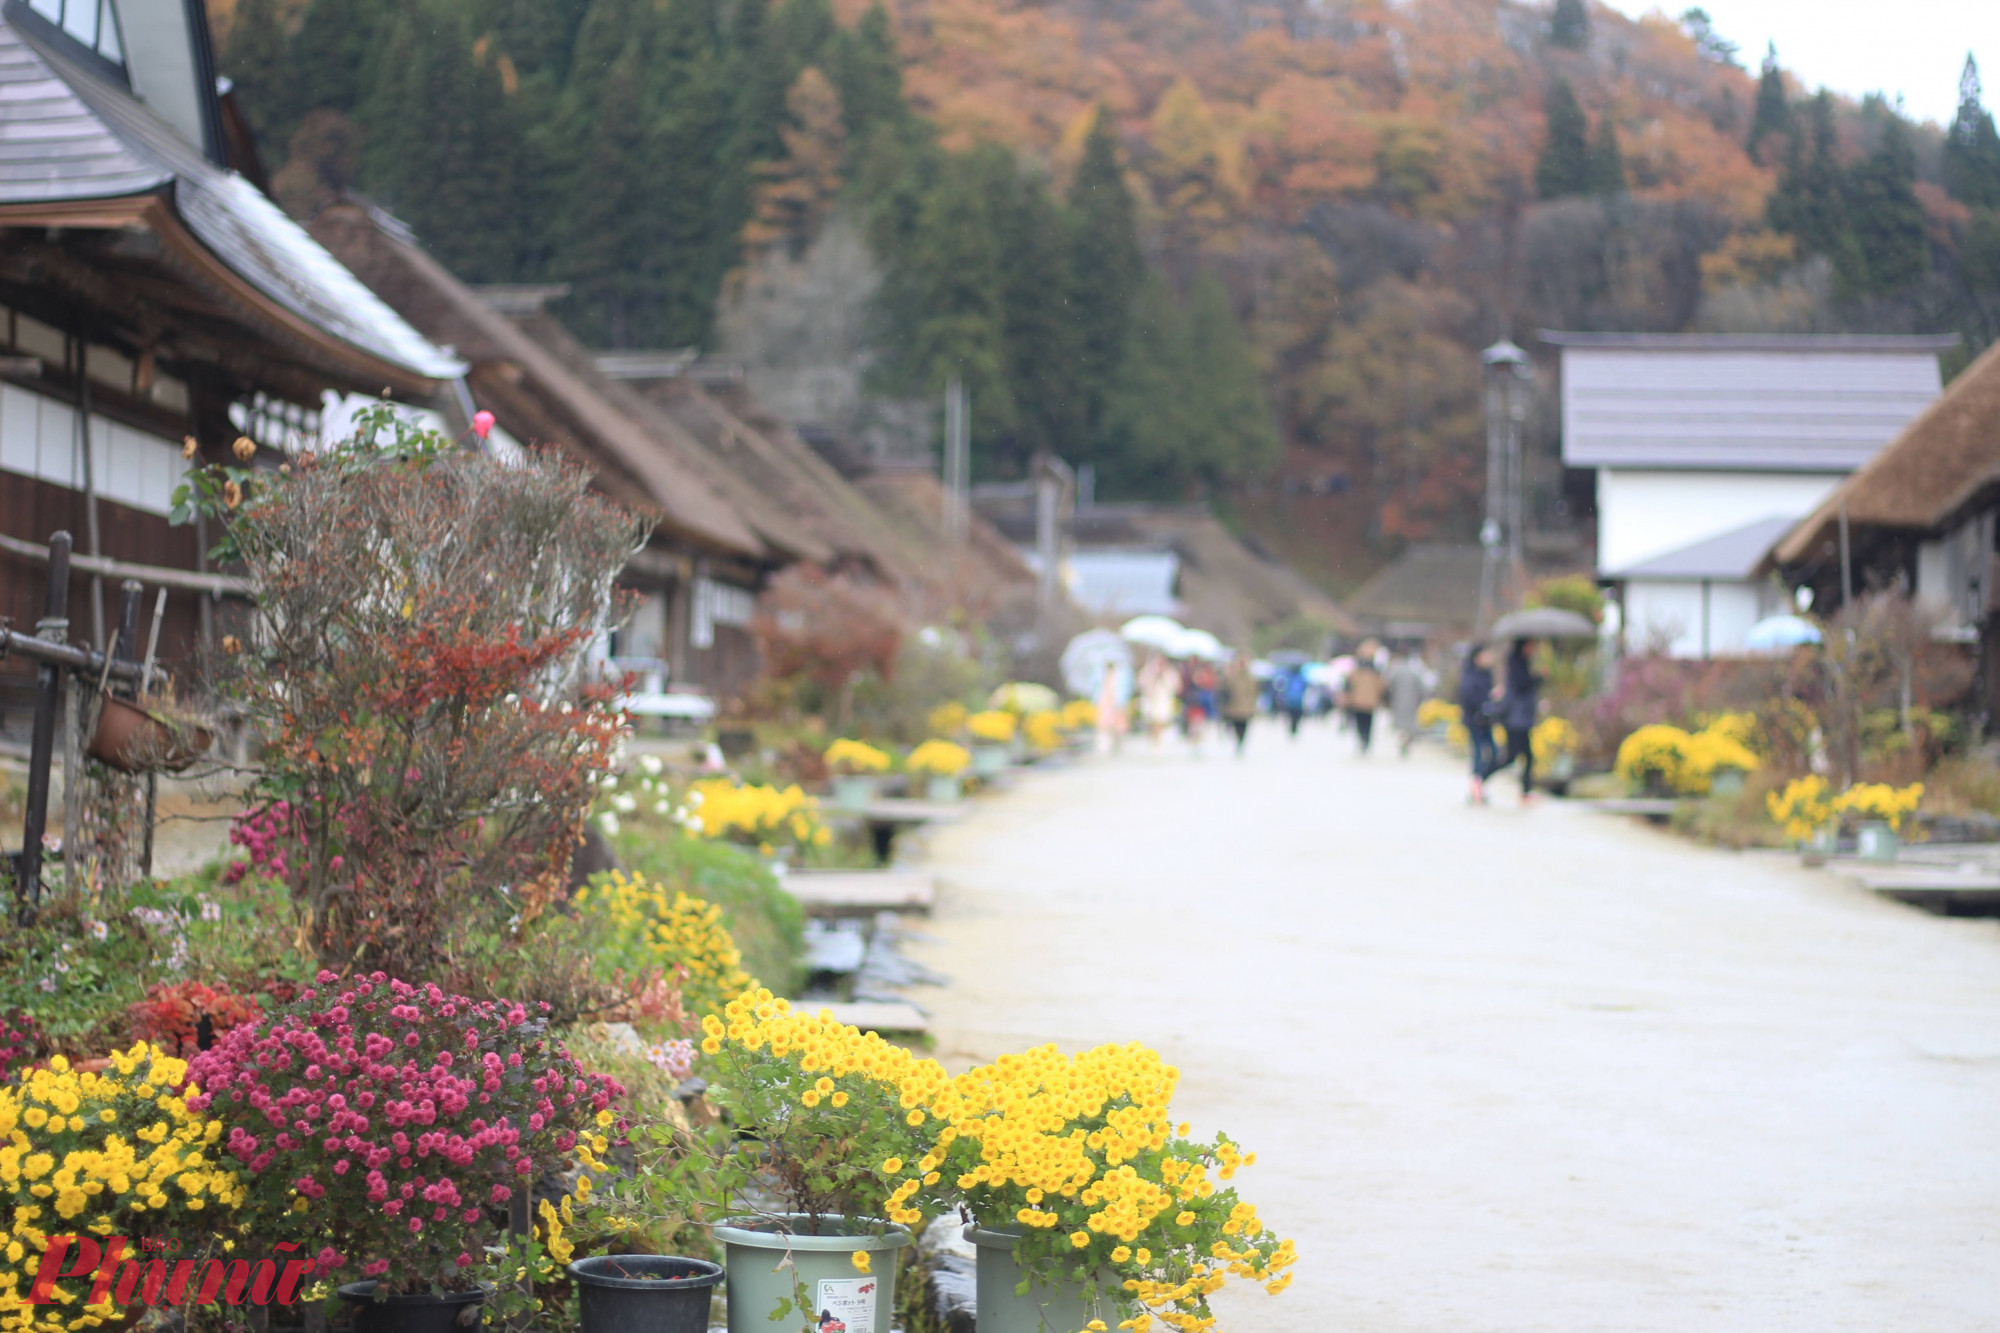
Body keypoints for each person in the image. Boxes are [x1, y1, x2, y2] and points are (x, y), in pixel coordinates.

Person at [1484, 638, 1543, 801]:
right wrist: (1538, 678)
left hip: (1521, 718)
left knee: (1526, 756)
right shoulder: (1516, 663)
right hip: (1516, 719)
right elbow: (1522, 685)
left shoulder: (1521, 662)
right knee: (1511, 757)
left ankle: (1525, 792)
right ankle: (1481, 777)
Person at [1457, 644, 1497, 803]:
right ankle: (1476, 787)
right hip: (1475, 720)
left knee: (1493, 753)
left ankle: (1478, 784)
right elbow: (1469, 697)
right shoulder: (1470, 675)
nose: (1490, 658)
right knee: (1480, 753)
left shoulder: (1487, 674)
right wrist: (1484, 705)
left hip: (1486, 720)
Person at [1343, 640, 1385, 755]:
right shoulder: (1376, 672)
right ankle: (1365, 740)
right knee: (1368, 722)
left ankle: (1362, 739)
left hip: (1358, 701)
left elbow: (1349, 685)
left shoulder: (1357, 671)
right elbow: (1381, 687)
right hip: (1370, 702)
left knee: (1359, 722)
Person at [1384, 648, 1428, 759]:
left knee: (1401, 725)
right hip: (1412, 702)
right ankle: (1407, 739)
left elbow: (1388, 687)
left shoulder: (1394, 671)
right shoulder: (1414, 672)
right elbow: (1421, 688)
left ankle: (1403, 739)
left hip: (1398, 701)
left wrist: (1388, 700)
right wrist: (1421, 700)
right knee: (1410, 724)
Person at [1137, 653, 1180, 747]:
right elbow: (1142, 684)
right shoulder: (1149, 671)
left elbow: (1175, 687)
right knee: (1152, 721)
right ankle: (1153, 740)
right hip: (1152, 699)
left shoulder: (1169, 672)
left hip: (1164, 700)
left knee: (1162, 721)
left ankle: (1159, 741)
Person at [1221, 652, 1259, 757]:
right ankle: (1238, 742)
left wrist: (1253, 706)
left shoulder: (1250, 677)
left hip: (1245, 707)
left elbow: (1253, 693)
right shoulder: (1232, 676)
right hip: (1234, 707)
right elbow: (1224, 690)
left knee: (1243, 727)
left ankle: (1240, 743)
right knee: (1235, 726)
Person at [1095, 660, 1128, 756]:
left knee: (1117, 726)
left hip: (1116, 702)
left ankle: (1116, 744)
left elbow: (1122, 690)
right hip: (1106, 702)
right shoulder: (1100, 677)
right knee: (1105, 725)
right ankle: (1106, 745)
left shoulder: (1120, 677)